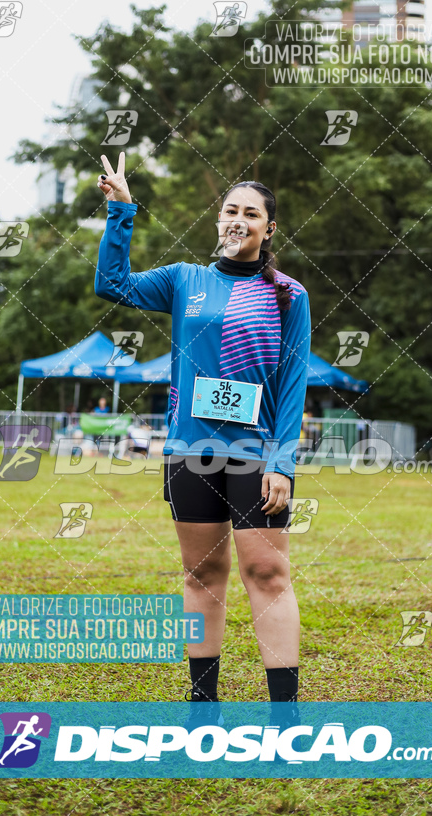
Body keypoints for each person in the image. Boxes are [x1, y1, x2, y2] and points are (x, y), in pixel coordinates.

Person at [94, 153, 311, 704]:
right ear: (219, 221)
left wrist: (283, 461)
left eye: (251, 214)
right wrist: (122, 212)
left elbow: (291, 384)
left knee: (266, 574)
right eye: (230, 211)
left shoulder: (291, 295)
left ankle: (283, 713)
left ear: (269, 227)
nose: (238, 220)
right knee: (201, 573)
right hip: (190, 451)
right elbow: (112, 283)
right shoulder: (183, 280)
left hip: (256, 455)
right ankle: (202, 704)